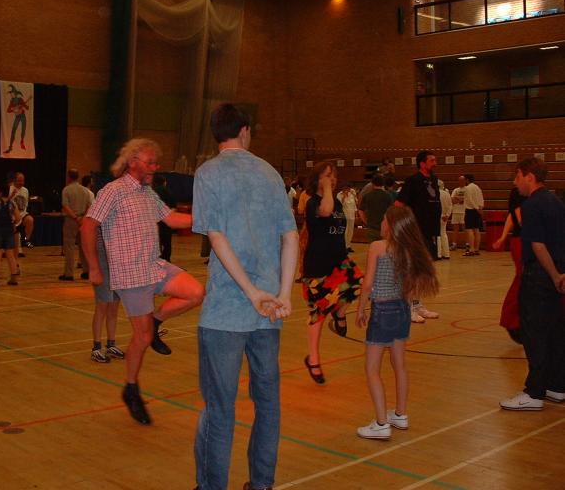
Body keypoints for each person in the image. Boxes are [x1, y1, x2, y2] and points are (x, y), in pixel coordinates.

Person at [192, 103, 298, 490]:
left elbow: (216, 236)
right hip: (268, 314)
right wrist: (283, 294)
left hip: (225, 313)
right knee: (267, 403)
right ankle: (261, 483)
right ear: (245, 131)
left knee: (220, 408)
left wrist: (251, 292)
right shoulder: (270, 173)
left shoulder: (207, 174)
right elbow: (290, 236)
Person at [83, 138, 204, 425]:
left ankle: (157, 321)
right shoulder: (113, 191)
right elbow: (88, 225)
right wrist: (94, 267)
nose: (155, 167)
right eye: (150, 162)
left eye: (155, 163)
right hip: (131, 275)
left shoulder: (147, 192)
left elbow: (172, 220)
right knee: (143, 338)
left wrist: (208, 218)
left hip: (153, 266)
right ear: (132, 161)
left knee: (196, 292)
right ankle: (131, 388)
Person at [355, 205, 439, 439]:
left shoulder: (377, 247)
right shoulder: (410, 250)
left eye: (384, 219)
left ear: (390, 225)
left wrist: (360, 309)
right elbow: (411, 289)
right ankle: (400, 414)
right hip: (402, 310)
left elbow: (367, 284)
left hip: (382, 311)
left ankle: (381, 423)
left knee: (372, 368)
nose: (381, 222)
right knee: (399, 364)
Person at [500, 158, 565, 411]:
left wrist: (553, 275)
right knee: (555, 331)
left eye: (517, 176)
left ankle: (534, 392)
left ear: (529, 176)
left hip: (539, 276)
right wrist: (560, 274)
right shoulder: (556, 202)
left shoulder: (531, 205)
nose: (515, 182)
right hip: (556, 274)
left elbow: (538, 245)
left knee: (534, 333)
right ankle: (557, 386)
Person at [302, 161, 363, 384]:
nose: (333, 179)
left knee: (358, 282)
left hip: (339, 261)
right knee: (319, 313)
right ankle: (313, 359)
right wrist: (327, 187)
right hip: (318, 267)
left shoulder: (336, 201)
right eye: (327, 175)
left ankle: (339, 312)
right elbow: (325, 212)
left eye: (334, 175)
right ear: (317, 179)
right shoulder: (313, 203)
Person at [395, 151, 441, 323]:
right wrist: (406, 227)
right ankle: (408, 307)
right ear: (422, 163)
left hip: (429, 231)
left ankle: (417, 304)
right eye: (432, 160)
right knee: (412, 270)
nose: (435, 163)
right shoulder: (412, 181)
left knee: (422, 270)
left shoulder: (434, 180)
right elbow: (398, 204)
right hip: (415, 233)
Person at [85, 229, 124, 363]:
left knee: (114, 307)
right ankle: (96, 348)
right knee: (102, 306)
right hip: (102, 266)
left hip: (116, 266)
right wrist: (94, 268)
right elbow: (87, 238)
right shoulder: (97, 223)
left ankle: (111, 344)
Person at [493, 188, 527, 344]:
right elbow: (517, 217)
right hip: (522, 242)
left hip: (523, 241)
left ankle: (515, 320)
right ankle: (512, 320)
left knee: (524, 281)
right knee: (522, 280)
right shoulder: (519, 191)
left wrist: (502, 237)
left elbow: (512, 216)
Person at [59, 169, 92, 281]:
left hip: (71, 220)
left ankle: (69, 274)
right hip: (83, 220)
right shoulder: (85, 190)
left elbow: (65, 206)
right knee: (83, 247)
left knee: (69, 247)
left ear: (68, 177)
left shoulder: (66, 190)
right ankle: (86, 271)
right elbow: (89, 206)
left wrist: (75, 217)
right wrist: (83, 218)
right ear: (78, 177)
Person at [0, 183, 21, 287]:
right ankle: (13, 278)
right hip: (9, 230)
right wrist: (13, 224)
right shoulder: (12, 203)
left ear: (0, 192)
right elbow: (18, 218)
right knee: (10, 254)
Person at [358, 174, 393, 243]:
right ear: (383, 184)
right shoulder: (388, 195)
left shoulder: (367, 195)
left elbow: (360, 211)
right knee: (384, 247)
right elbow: (392, 211)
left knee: (373, 246)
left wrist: (365, 221)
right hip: (385, 227)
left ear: (372, 183)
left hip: (371, 227)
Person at [152, 175, 177, 262]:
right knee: (167, 242)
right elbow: (174, 206)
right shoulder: (169, 192)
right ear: (164, 182)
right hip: (167, 219)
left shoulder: (152, 192)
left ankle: (157, 259)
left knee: (156, 240)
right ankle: (166, 258)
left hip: (155, 220)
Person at [10, 172, 34, 256]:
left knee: (30, 220)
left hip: (22, 214)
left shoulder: (25, 190)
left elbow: (25, 205)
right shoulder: (10, 189)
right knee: (16, 225)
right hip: (11, 215)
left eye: (23, 181)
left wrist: (21, 215)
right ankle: (17, 249)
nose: (21, 183)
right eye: (19, 181)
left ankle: (26, 239)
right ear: (14, 180)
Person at [462, 174, 484, 256]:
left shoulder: (467, 188)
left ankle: (471, 249)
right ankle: (476, 249)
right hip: (477, 210)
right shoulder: (477, 187)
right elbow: (481, 199)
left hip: (471, 210)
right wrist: (480, 208)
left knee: (469, 229)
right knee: (477, 229)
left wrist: (476, 208)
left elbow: (470, 200)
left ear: (467, 180)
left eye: (465, 179)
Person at [337, 183, 357, 252]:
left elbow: (354, 204)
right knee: (345, 231)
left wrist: (356, 214)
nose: (347, 190)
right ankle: (343, 246)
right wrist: (344, 197)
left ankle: (348, 246)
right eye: (346, 188)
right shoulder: (339, 195)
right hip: (344, 216)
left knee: (350, 231)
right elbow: (339, 206)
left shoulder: (352, 194)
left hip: (352, 216)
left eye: (348, 188)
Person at [450, 175, 467, 250]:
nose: (460, 182)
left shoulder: (467, 189)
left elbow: (467, 199)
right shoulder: (455, 190)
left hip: (464, 212)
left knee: (465, 229)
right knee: (455, 229)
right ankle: (454, 244)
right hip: (455, 211)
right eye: (459, 180)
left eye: (462, 180)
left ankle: (467, 244)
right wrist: (460, 200)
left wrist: (458, 199)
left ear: (465, 181)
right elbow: (452, 200)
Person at [437, 180, 452, 260]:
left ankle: (438, 254)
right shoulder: (447, 194)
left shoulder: (435, 193)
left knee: (437, 235)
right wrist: (447, 215)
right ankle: (446, 254)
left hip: (437, 216)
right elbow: (450, 205)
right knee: (443, 234)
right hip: (444, 217)